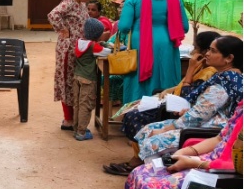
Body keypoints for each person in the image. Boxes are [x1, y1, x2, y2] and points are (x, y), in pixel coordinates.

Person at [104, 36, 243, 176]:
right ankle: (140, 167)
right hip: (204, 122)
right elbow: (203, 108)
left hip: (211, 129)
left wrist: (168, 128)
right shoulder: (224, 77)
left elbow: (198, 115)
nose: (207, 53)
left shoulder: (224, 84)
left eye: (213, 51)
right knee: (148, 129)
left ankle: (155, 176)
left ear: (229, 58)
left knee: (155, 139)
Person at [123, 101, 242, 189]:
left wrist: (195, 162)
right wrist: (185, 152)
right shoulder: (241, 107)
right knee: (141, 172)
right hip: (208, 159)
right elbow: (219, 139)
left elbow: (238, 166)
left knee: (153, 188)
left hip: (223, 172)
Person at [120, 31, 221, 144]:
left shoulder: (209, 73)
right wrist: (171, 89)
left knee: (134, 115)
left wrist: (190, 69)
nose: (192, 51)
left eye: (195, 48)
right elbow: (183, 87)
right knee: (135, 108)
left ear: (204, 51)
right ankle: (138, 151)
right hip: (174, 102)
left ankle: (141, 151)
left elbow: (186, 95)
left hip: (180, 109)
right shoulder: (202, 66)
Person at [118, 0, 189, 103]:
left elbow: (124, 26)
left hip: (140, 45)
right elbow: (184, 27)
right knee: (166, 76)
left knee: (139, 82)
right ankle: (164, 112)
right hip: (168, 43)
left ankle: (137, 113)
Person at [47, 0, 95, 131]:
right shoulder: (69, 2)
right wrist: (63, 30)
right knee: (67, 80)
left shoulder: (80, 4)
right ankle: (68, 119)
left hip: (78, 49)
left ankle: (74, 117)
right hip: (68, 49)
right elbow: (53, 15)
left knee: (75, 81)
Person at [72, 18, 106, 141]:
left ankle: (76, 128)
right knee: (85, 105)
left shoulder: (79, 42)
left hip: (77, 77)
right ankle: (82, 132)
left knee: (77, 104)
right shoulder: (93, 46)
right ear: (96, 34)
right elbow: (106, 52)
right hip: (88, 79)